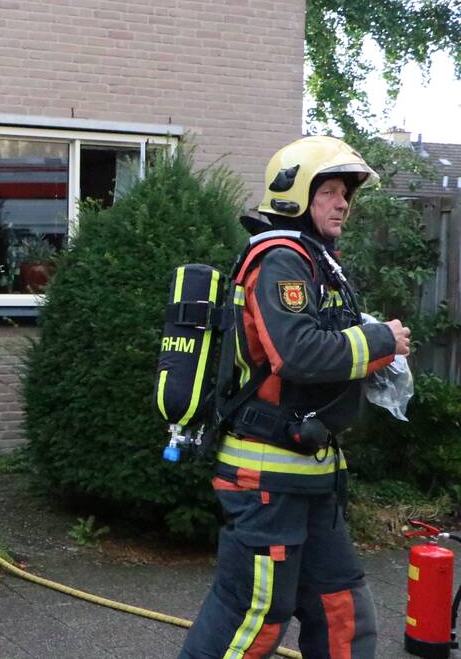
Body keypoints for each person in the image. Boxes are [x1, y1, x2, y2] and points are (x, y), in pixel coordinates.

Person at [178, 136, 411, 658]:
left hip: (313, 474)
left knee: (343, 611)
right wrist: (380, 341)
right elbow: (298, 353)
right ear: (295, 195)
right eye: (328, 190)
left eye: (345, 193)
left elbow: (325, 347)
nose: (343, 203)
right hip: (266, 476)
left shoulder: (319, 264)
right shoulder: (280, 258)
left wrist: (373, 348)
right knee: (255, 615)